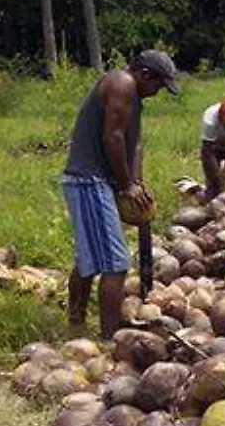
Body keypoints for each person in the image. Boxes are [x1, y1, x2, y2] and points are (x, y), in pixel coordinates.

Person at [62, 49, 178, 340]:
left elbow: (133, 144)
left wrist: (136, 182)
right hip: (90, 180)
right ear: (145, 74)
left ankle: (75, 322)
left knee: (88, 258)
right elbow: (112, 137)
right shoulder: (122, 83)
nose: (158, 92)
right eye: (158, 85)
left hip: (98, 180)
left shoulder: (134, 98)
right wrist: (126, 186)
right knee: (115, 263)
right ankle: (109, 336)